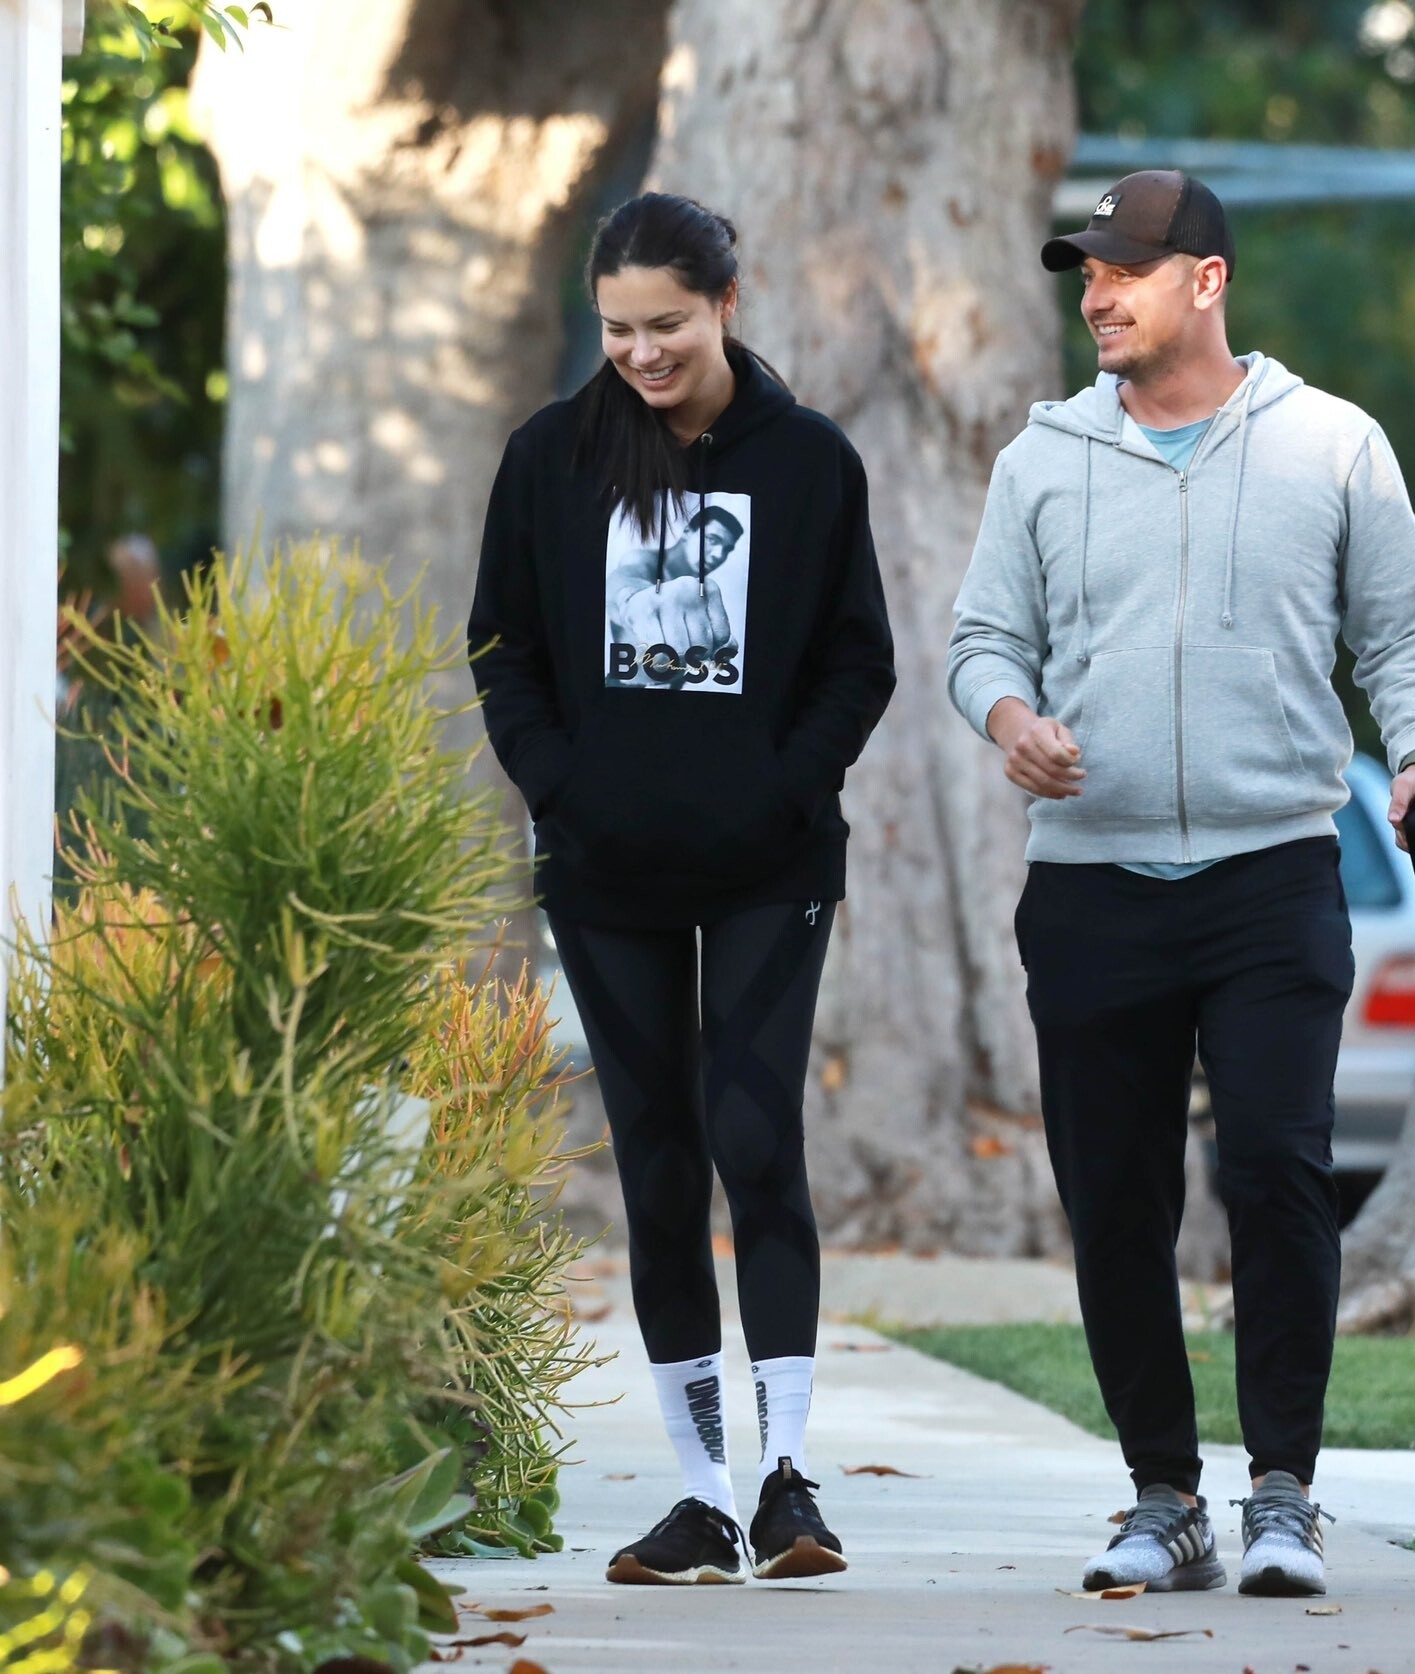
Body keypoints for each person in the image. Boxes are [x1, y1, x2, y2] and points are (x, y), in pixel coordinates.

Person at [948, 170, 1415, 1598]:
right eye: (1088, 274)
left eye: (1125, 270)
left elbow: (1412, 635)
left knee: (1279, 1175)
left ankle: (1284, 1493)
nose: (1098, 296)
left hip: (1272, 873)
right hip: (1091, 885)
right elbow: (982, 640)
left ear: (1208, 280)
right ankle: (1163, 1497)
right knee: (1116, 1200)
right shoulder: (1042, 460)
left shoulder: (1332, 446)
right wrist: (1010, 719)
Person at [469, 192, 895, 1586]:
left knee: (755, 1137)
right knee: (658, 1163)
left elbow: (859, 660)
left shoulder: (810, 462)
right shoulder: (551, 458)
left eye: (666, 325)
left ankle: (787, 1481)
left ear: (726, 304)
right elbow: (502, 650)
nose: (642, 353)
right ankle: (703, 1493)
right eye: (617, 330)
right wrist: (563, 789)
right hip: (607, 869)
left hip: (771, 862)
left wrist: (786, 786)